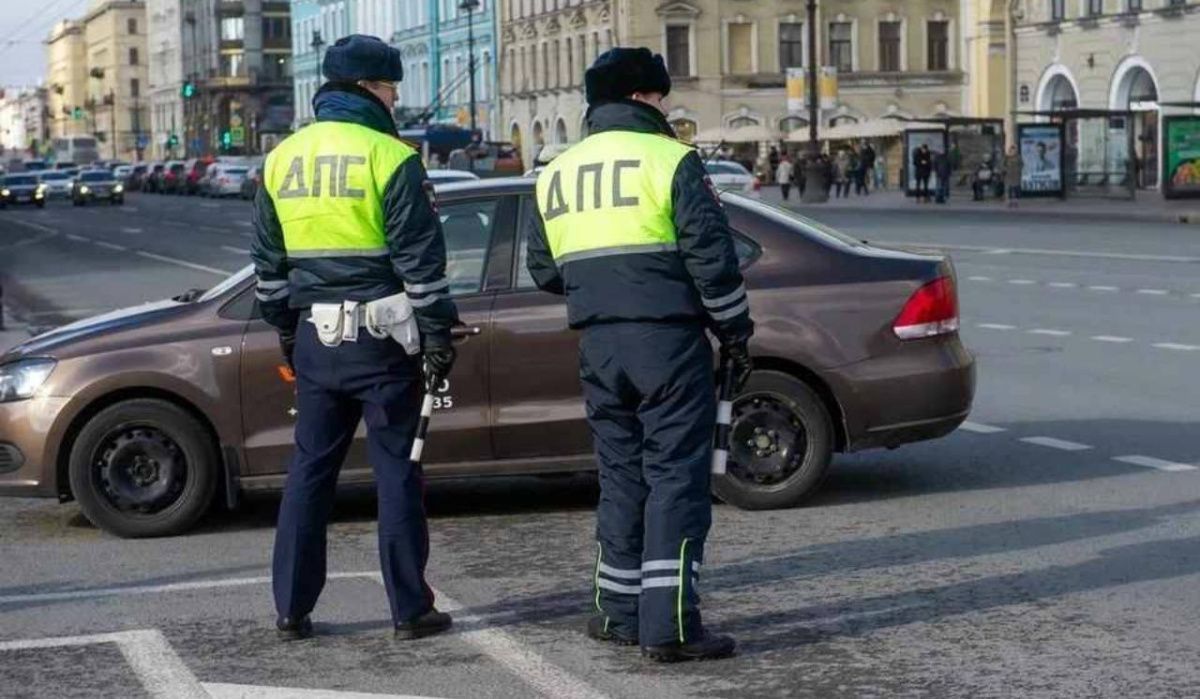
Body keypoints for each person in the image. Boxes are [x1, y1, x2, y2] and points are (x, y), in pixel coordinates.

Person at [527, 47, 753, 663]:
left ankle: (616, 613)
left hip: (598, 344)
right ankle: (672, 626)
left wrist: (601, 289)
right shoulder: (672, 160)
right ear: (642, 97)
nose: (668, 106)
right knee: (676, 478)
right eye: (662, 96)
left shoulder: (556, 170)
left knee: (621, 476)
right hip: (667, 339)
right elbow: (712, 258)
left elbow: (544, 269)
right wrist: (735, 330)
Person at [251, 35, 460, 642]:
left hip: (316, 337)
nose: (396, 97)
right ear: (370, 88)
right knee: (397, 469)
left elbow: (268, 265)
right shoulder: (391, 157)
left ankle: (291, 608)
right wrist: (438, 335)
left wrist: (287, 331)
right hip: (382, 338)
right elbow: (421, 262)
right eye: (392, 86)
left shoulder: (282, 158)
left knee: (309, 471)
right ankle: (409, 608)